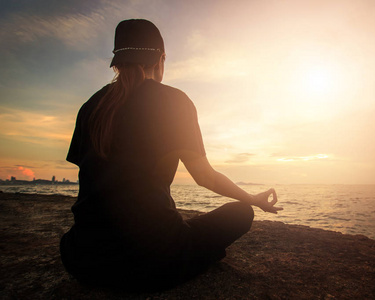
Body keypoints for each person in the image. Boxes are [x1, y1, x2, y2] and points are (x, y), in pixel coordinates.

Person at [60, 19, 282, 291]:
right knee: (240, 213)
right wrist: (252, 198)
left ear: (117, 61)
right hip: (152, 260)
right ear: (161, 58)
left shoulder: (90, 106)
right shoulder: (174, 101)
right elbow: (205, 177)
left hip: (83, 259)